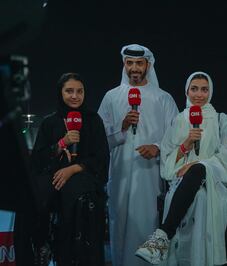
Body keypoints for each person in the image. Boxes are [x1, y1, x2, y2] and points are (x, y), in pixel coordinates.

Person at [135, 71, 227, 265]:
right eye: (194, 89)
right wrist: (186, 145)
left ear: (211, 92)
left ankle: (162, 236)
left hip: (212, 185)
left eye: (204, 89)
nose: (199, 95)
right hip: (181, 185)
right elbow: (167, 163)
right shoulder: (178, 120)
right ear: (186, 91)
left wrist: (198, 164)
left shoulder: (221, 120)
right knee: (195, 183)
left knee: (198, 171)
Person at [98, 44, 178, 266]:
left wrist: (157, 147)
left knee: (149, 225)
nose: (134, 67)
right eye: (129, 62)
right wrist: (121, 127)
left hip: (150, 177)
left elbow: (177, 137)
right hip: (119, 176)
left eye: (139, 63)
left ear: (148, 65)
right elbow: (98, 139)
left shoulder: (164, 99)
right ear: (124, 64)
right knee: (119, 226)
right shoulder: (111, 97)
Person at [20, 72, 110, 266]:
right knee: (31, 197)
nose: (75, 96)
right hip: (53, 176)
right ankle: (40, 245)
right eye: (69, 91)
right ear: (60, 93)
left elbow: (101, 158)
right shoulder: (49, 122)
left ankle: (73, 257)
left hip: (84, 175)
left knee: (75, 190)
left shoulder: (94, 120)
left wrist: (74, 168)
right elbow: (37, 160)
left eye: (80, 91)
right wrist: (61, 143)